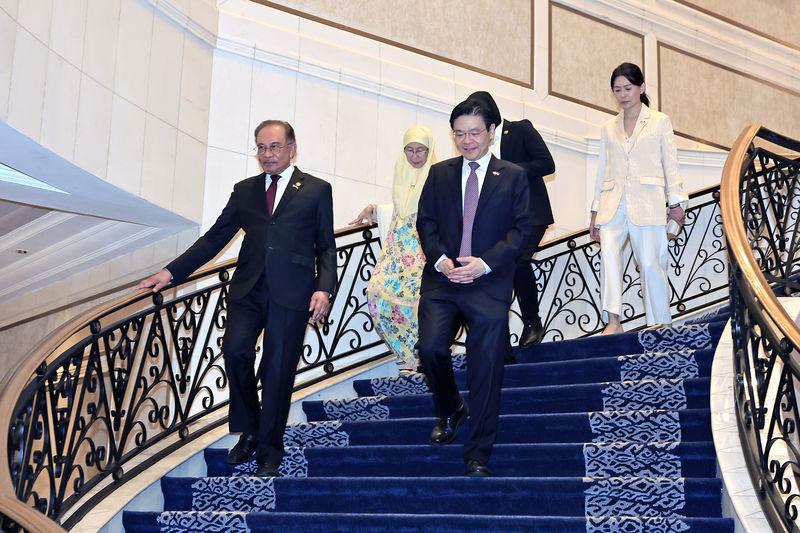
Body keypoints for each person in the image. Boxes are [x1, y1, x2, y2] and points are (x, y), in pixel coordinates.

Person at [137, 120, 336, 477]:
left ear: (292, 148)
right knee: (235, 351)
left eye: (274, 146)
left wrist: (324, 288)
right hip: (248, 289)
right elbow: (214, 239)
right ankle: (251, 427)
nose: (268, 154)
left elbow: (325, 245)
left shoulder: (317, 189)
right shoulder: (244, 190)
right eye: (261, 147)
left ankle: (269, 450)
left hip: (292, 292)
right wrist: (170, 273)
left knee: (277, 371)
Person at [416, 100, 531, 477]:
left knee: (485, 368)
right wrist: (440, 259)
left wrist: (483, 263)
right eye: (460, 134)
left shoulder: (512, 176)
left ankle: (477, 453)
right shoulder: (439, 174)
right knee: (431, 349)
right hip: (443, 279)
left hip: (488, 283)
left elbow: (521, 231)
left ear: (491, 132)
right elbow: (426, 222)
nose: (467, 141)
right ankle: (450, 407)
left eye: (474, 133)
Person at [589, 63, 687, 334]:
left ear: (641, 88)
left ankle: (660, 324)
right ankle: (613, 321)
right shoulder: (608, 127)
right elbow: (602, 170)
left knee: (650, 263)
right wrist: (595, 210)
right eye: (617, 90)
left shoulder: (659, 121)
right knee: (608, 255)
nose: (623, 94)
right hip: (613, 203)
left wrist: (677, 201)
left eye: (628, 88)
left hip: (648, 201)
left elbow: (671, 163)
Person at [467, 91, 555, 347]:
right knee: (494, 269)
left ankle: (532, 322)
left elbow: (547, 163)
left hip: (532, 213)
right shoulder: (479, 148)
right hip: (503, 220)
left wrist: (510, 172)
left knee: (517, 259)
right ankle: (499, 335)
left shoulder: (520, 129)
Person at [349, 125, 438, 371]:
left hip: (425, 249)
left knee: (423, 304)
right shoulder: (402, 171)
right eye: (409, 150)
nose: (415, 156)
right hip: (399, 249)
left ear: (429, 151)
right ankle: (410, 356)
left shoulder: (439, 176)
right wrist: (376, 210)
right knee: (377, 291)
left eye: (421, 150)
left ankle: (425, 357)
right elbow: (402, 207)